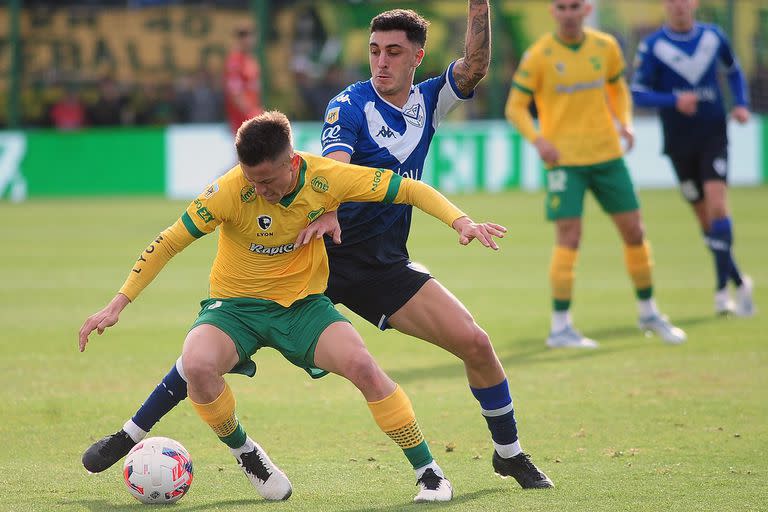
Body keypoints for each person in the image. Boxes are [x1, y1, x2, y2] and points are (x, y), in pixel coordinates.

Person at [82, 4, 554, 491]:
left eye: (394, 52)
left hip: (380, 267)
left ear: (418, 56)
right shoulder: (347, 105)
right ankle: (133, 432)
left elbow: (475, 66)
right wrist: (327, 207)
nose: (381, 62)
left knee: (475, 342)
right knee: (212, 346)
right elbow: (333, 164)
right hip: (318, 256)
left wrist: (479, 5)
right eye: (374, 51)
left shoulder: (431, 101)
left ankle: (509, 454)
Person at [80, 110, 508, 502]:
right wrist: (118, 303)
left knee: (363, 366)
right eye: (252, 181)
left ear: (292, 161)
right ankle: (246, 452)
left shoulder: (327, 177)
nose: (259, 190)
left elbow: (409, 189)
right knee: (195, 365)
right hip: (235, 309)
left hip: (302, 308)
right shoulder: (230, 190)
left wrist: (461, 221)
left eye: (267, 181)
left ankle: (429, 472)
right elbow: (170, 240)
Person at [506, 0, 687, 349]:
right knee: (569, 237)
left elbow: (618, 89)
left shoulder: (606, 46)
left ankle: (649, 311)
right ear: (553, 12)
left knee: (635, 230)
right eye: (562, 7)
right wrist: (538, 140)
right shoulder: (539, 54)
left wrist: (626, 123)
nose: (569, 13)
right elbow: (514, 107)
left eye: (575, 6)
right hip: (564, 161)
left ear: (586, 9)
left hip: (607, 156)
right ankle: (560, 327)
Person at [631, 0, 754, 316]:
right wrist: (673, 100)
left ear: (694, 3)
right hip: (678, 142)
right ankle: (740, 282)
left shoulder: (714, 37)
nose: (679, 6)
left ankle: (720, 292)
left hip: (714, 134)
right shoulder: (654, 46)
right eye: (672, 1)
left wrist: (740, 104)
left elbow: (734, 70)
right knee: (705, 220)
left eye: (684, 0)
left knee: (717, 205)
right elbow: (637, 91)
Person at [224, 24, 263, 134]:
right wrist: (250, 113)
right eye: (247, 37)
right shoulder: (235, 61)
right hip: (241, 117)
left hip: (252, 114)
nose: (251, 41)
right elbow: (235, 92)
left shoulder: (250, 60)